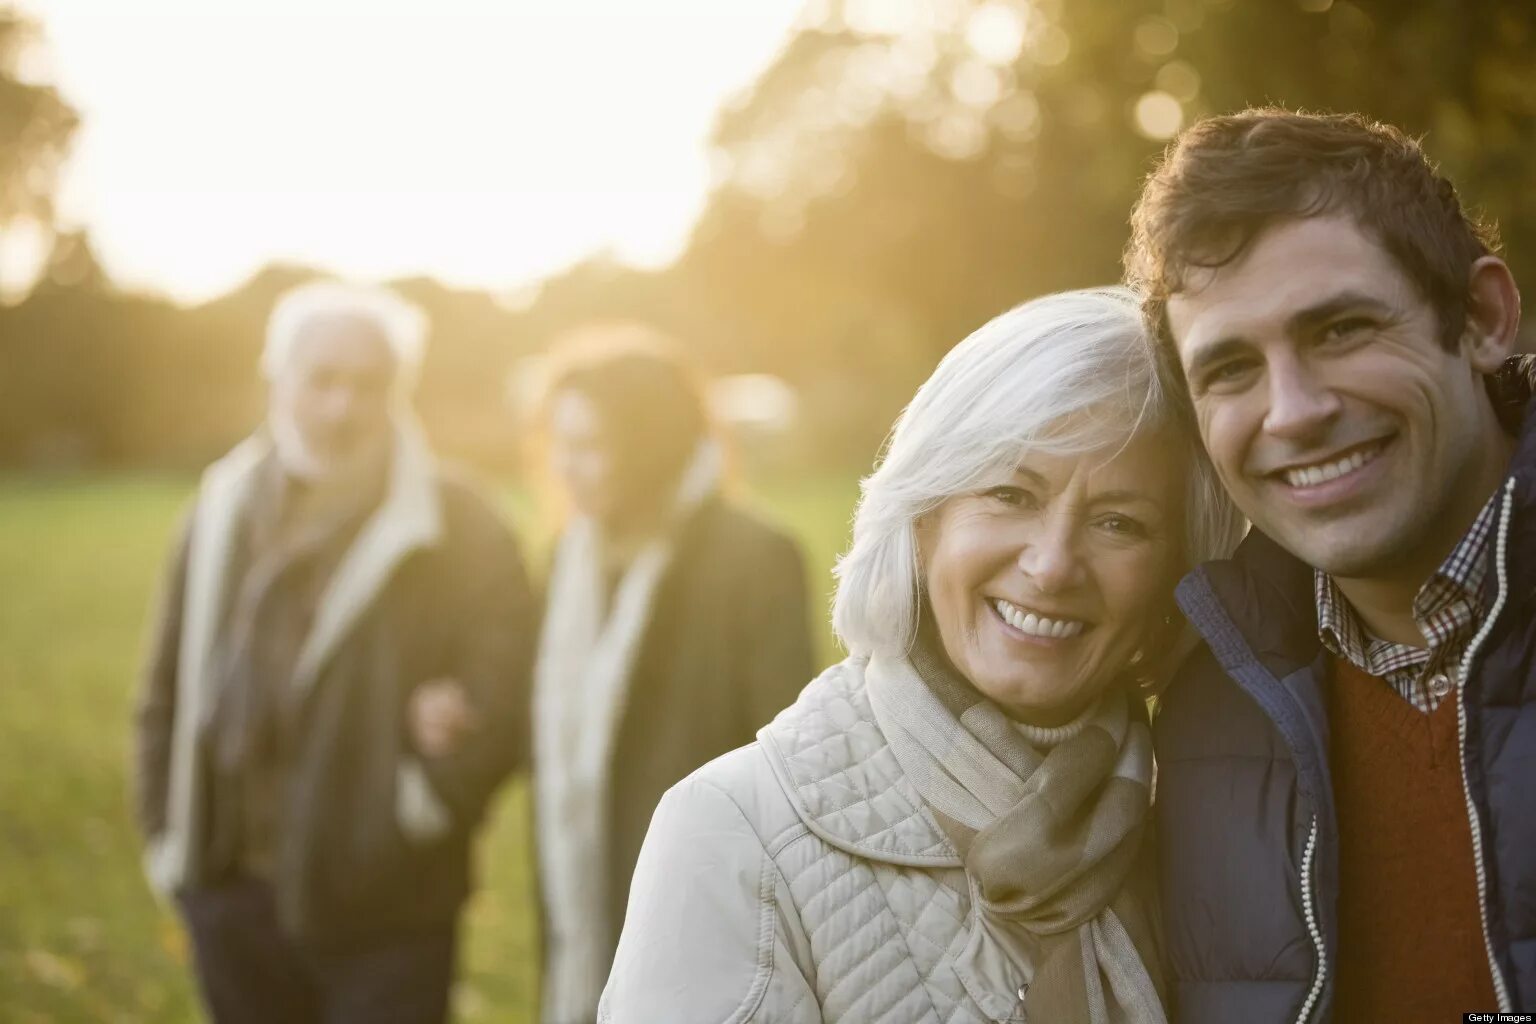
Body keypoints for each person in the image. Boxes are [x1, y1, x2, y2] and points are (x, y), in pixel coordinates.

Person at [599, 288, 1245, 1023]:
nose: (1053, 564)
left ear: (1178, 575)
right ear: (923, 519)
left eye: (1119, 522)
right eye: (1010, 494)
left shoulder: (1210, 826)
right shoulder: (731, 830)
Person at [1125, 107, 1536, 1022]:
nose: (1295, 412)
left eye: (1342, 329)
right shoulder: (1203, 716)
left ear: (1482, 317)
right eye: (1230, 369)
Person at [132, 281, 536, 1024]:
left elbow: (509, 679)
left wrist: (430, 798)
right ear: (278, 381)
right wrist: (171, 842)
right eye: (321, 381)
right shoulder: (219, 508)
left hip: (389, 908)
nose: (341, 408)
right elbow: (163, 690)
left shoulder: (460, 520)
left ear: (398, 395)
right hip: (231, 895)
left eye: (367, 386)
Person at [529, 328, 816, 1024]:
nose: (567, 468)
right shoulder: (569, 560)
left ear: (650, 445)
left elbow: (785, 763)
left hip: (708, 902)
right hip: (581, 906)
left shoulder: (756, 557)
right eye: (560, 445)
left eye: (590, 447)